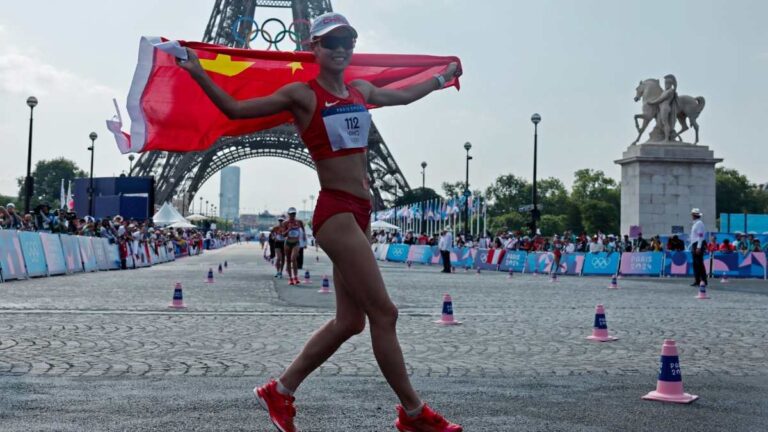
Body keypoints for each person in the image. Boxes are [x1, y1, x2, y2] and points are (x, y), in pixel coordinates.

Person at [178, 11, 462, 432]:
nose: (341, 48)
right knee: (384, 313)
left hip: (361, 212)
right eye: (331, 42)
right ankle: (413, 412)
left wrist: (441, 80)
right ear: (314, 48)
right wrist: (199, 73)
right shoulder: (303, 94)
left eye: (348, 40)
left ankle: (281, 389)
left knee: (351, 321)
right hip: (337, 211)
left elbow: (402, 97)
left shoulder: (360, 90)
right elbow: (236, 110)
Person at [282, 207, 305, 285]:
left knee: (293, 258)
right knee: (288, 260)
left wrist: (304, 241)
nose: (293, 215)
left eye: (294, 213)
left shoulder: (299, 222)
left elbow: (303, 231)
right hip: (288, 243)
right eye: (291, 214)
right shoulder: (285, 223)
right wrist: (289, 229)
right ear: (288, 214)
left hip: (296, 242)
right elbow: (283, 234)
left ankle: (296, 277)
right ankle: (290, 278)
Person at [690, 208, 708, 287]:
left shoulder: (699, 223)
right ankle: (697, 280)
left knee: (699, 263)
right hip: (695, 244)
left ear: (694, 215)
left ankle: (703, 280)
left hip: (698, 244)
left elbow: (700, 236)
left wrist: (698, 247)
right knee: (695, 263)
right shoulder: (695, 223)